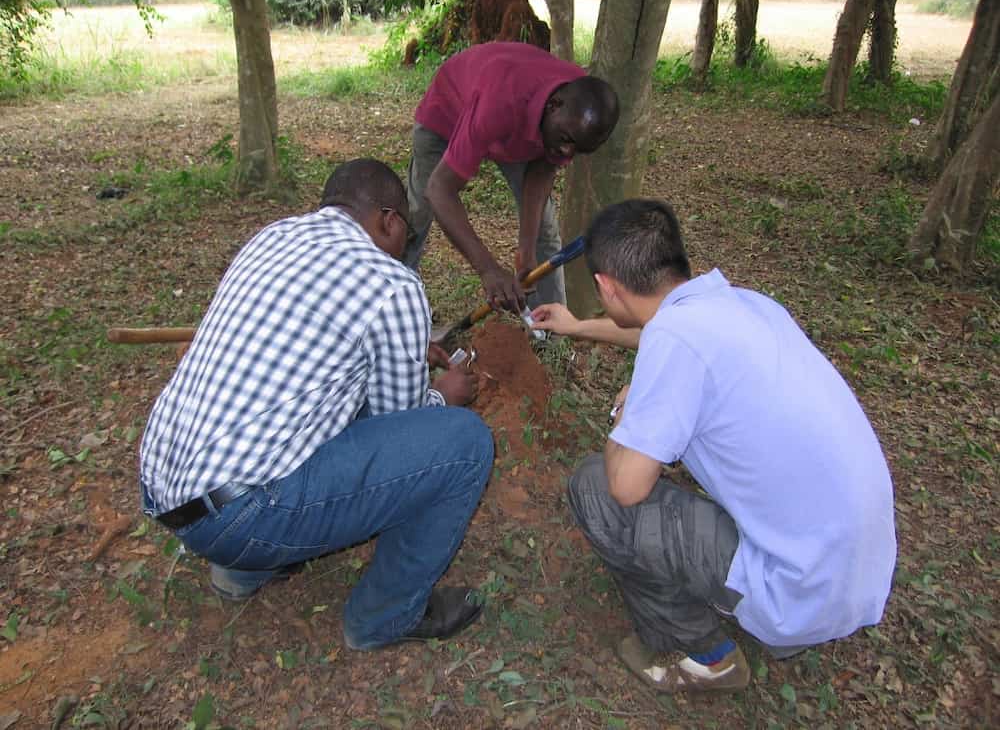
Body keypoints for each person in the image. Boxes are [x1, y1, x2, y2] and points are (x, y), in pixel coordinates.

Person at [531, 199, 896, 693]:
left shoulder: (675, 341)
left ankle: (706, 658)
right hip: (855, 572)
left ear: (606, 286)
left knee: (595, 487)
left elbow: (625, 487)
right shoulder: (744, 305)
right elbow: (657, 333)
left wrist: (628, 411)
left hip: (797, 592)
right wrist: (577, 326)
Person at [139, 158, 495, 651]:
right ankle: (384, 617)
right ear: (389, 221)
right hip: (240, 516)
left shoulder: (272, 237)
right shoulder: (392, 283)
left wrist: (405, 350)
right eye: (406, 235)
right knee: (465, 443)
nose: (404, 248)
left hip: (167, 495)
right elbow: (399, 427)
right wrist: (442, 396)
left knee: (301, 411)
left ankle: (241, 570)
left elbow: (295, 362)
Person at [405, 41, 619, 312]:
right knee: (416, 218)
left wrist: (526, 249)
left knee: (542, 230)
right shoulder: (502, 102)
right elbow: (439, 190)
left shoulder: (574, 115)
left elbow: (543, 168)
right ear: (553, 105)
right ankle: (395, 303)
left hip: (519, 123)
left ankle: (551, 326)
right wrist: (488, 270)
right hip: (448, 112)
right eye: (566, 140)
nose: (567, 152)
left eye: (578, 150)